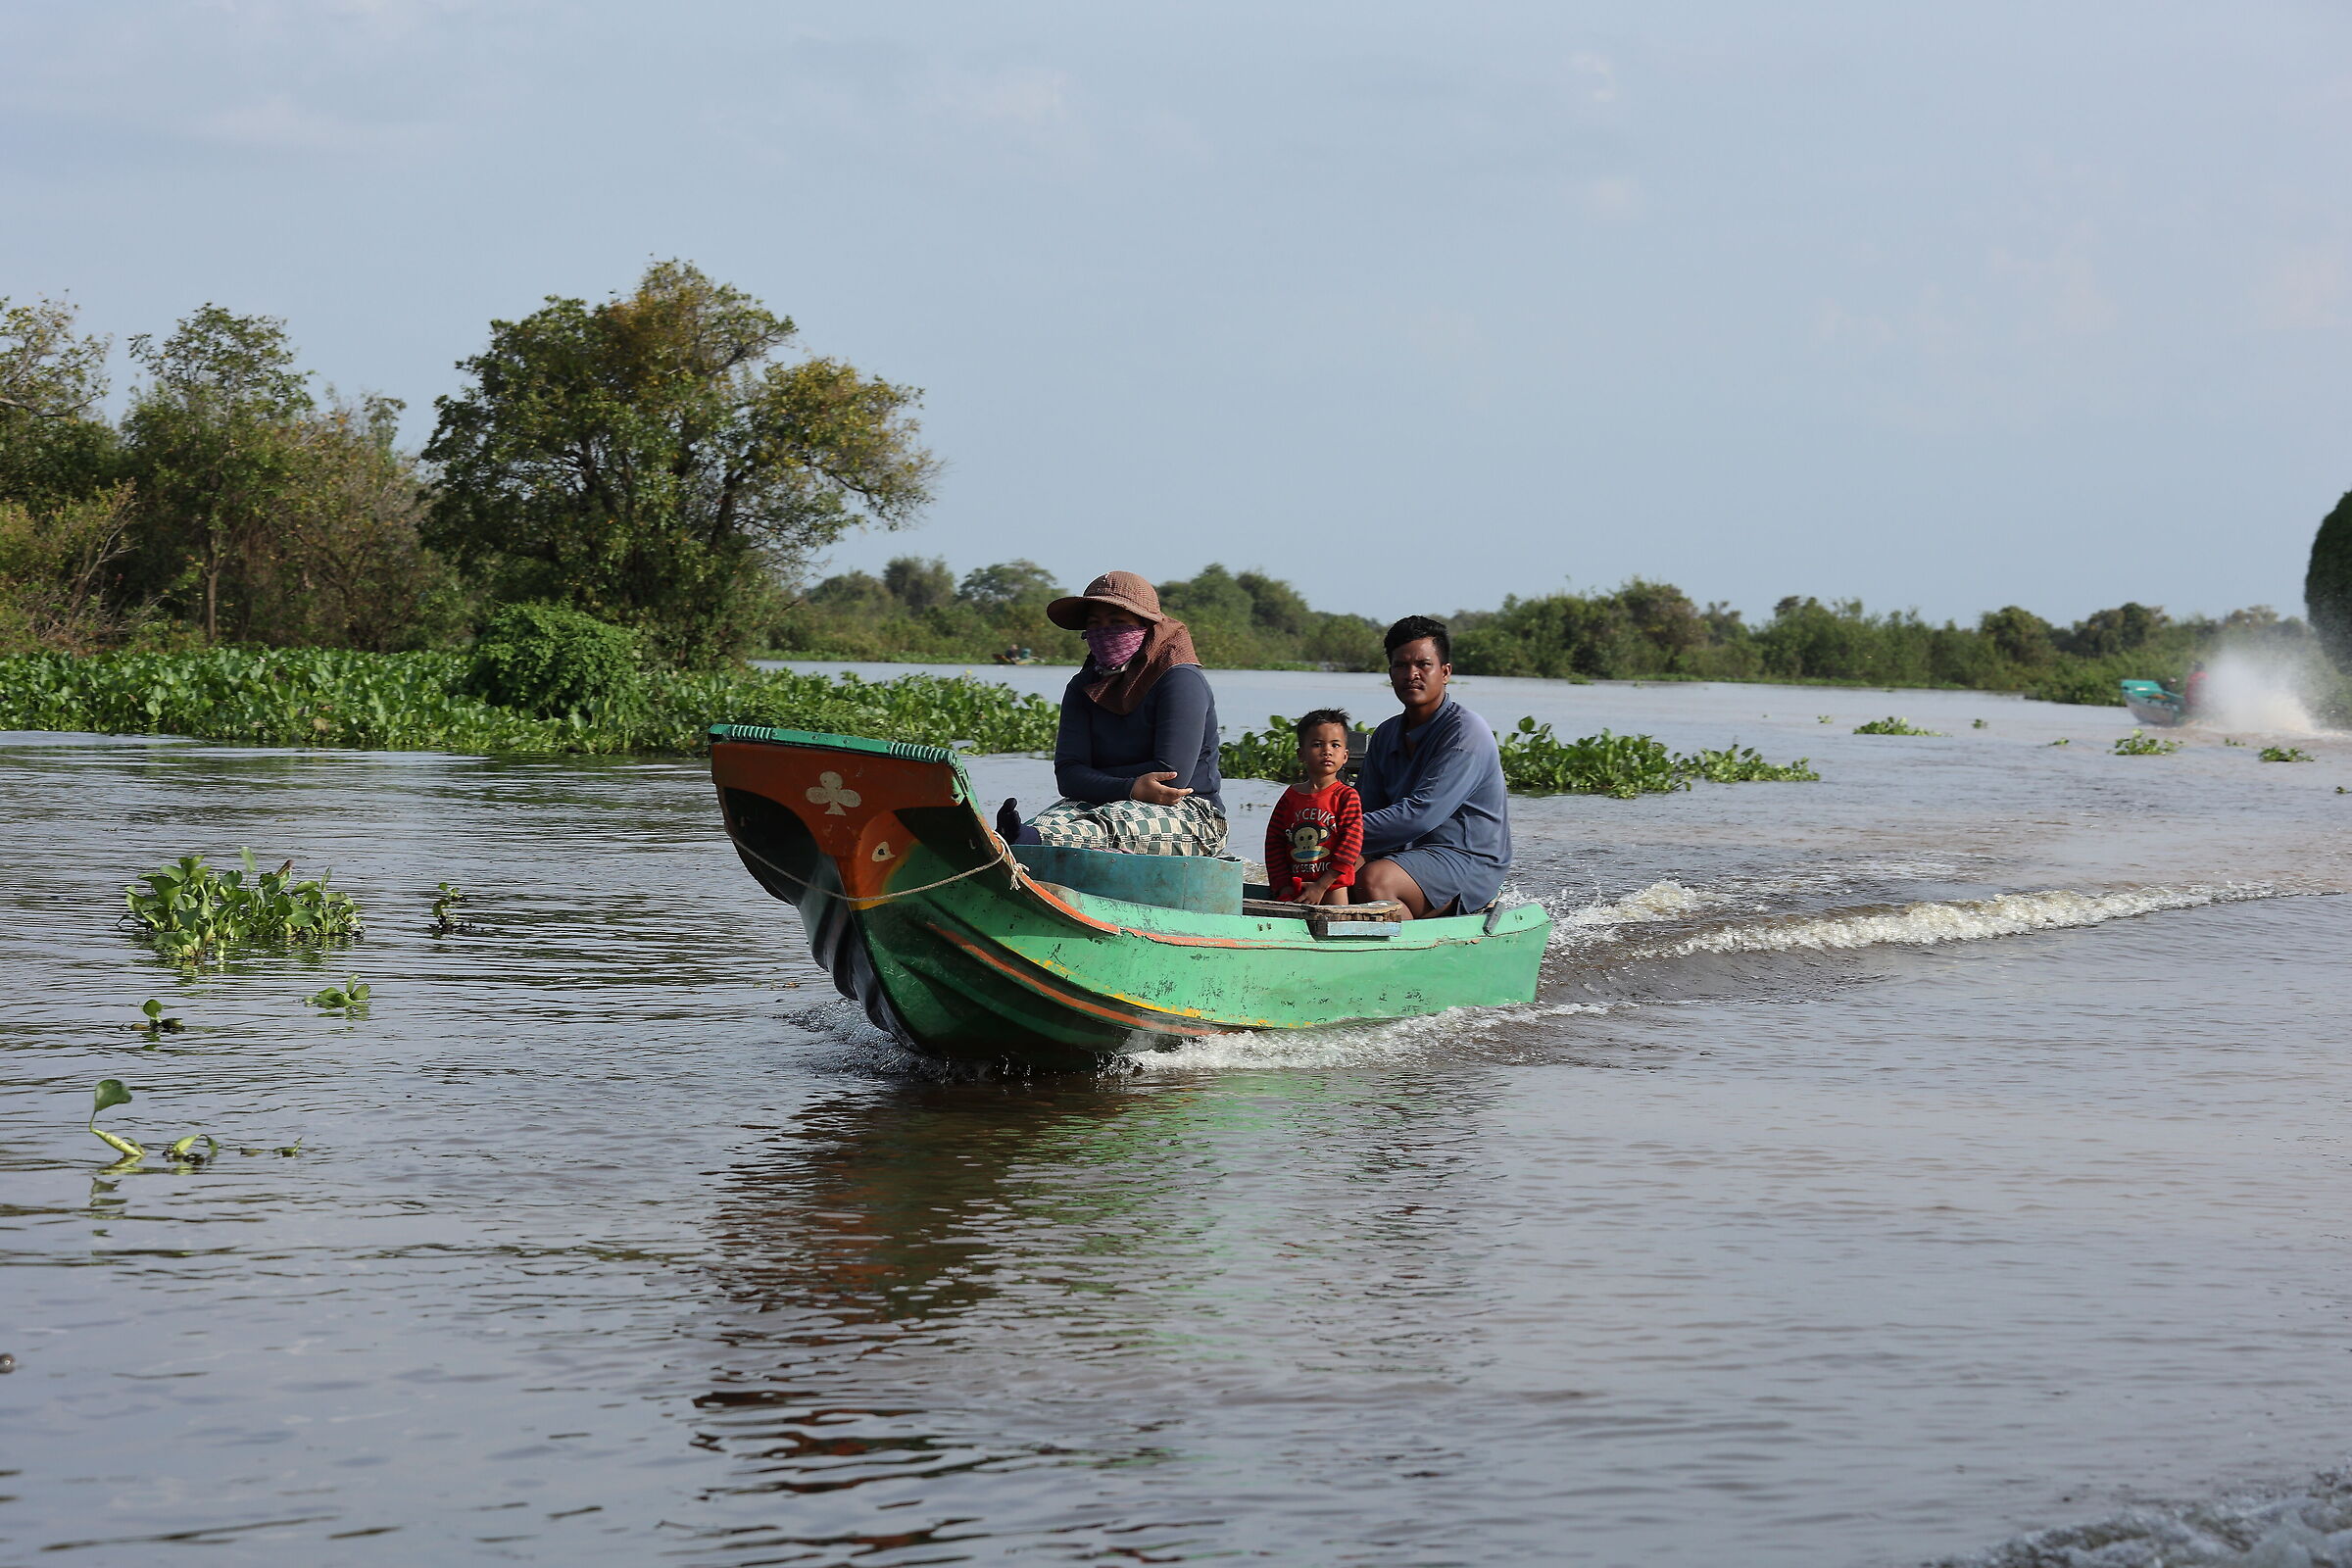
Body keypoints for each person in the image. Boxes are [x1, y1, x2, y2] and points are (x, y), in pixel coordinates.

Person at [1019, 570, 1227, 856]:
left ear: (1146, 627)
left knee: (1101, 828)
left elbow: (1170, 776)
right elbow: (1068, 775)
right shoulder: (1083, 685)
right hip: (1104, 800)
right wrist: (1129, 786)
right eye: (1095, 624)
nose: (1105, 632)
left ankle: (1028, 844)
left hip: (1189, 812)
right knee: (1041, 825)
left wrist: (1096, 778)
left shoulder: (1179, 679)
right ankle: (1016, 843)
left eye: (1117, 622)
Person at [1353, 614, 1510, 918]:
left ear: (1445, 672)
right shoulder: (1386, 734)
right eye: (1401, 665)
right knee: (1330, 868)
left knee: (1375, 879)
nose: (1411, 674)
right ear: (1390, 673)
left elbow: (1419, 817)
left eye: (1423, 665)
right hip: (1405, 853)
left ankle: (1400, 959)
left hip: (1467, 859)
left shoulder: (1466, 733)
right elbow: (1363, 807)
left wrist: (1336, 831)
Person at [1264, 709, 1362, 906]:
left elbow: (1351, 845)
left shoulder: (1346, 796)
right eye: (1317, 745)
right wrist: (1283, 885)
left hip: (1333, 885)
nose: (1327, 751)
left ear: (1345, 756)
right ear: (1301, 754)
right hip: (1296, 885)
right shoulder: (1290, 797)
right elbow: (1274, 843)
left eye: (1335, 745)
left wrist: (1322, 885)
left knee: (1334, 928)